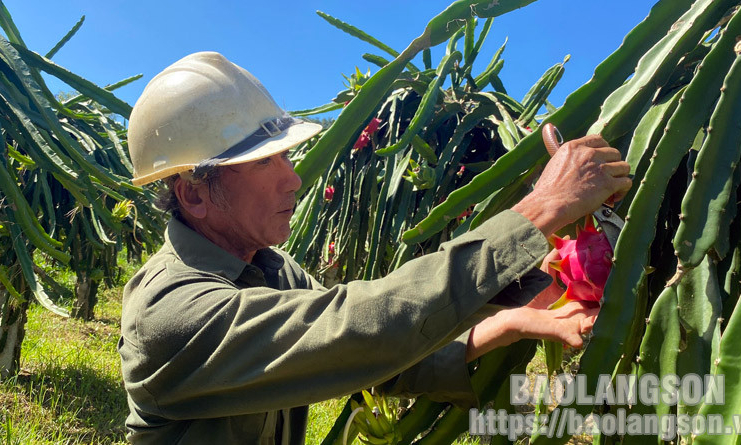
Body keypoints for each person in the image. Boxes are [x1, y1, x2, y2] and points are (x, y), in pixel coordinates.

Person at [119, 51, 632, 444]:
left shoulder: (273, 272)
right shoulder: (169, 312)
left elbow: (388, 360)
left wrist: (515, 320)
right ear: (194, 194)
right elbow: (358, 330)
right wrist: (540, 210)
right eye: (263, 163)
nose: (294, 180)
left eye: (286, 159)